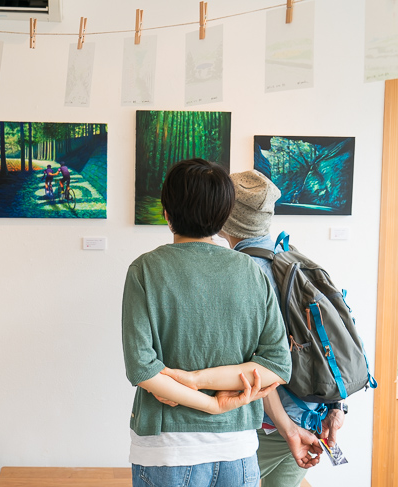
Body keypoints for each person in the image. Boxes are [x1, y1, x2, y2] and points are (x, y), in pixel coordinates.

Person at [122, 158, 305, 487]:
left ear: (166, 212)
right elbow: (277, 366)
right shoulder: (252, 272)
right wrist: (203, 385)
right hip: (238, 452)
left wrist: (207, 398)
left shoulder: (144, 270)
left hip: (167, 451)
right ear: (223, 219)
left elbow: (142, 368)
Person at [219, 169, 343, 487]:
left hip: (273, 423)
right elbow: (329, 339)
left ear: (225, 218)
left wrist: (287, 427)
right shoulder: (291, 259)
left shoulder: (242, 274)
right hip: (313, 413)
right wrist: (335, 406)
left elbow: (256, 367)